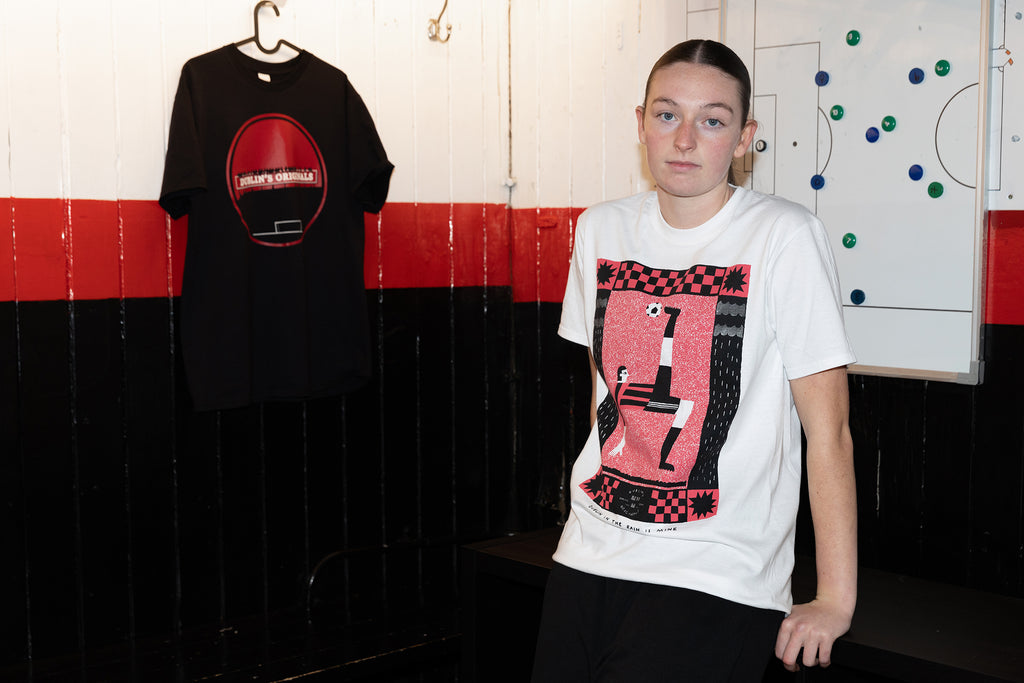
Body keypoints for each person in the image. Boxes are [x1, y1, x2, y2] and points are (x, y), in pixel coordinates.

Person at [531, 39, 857, 681]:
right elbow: (604, 399)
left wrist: (834, 598)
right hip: (589, 552)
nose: (684, 139)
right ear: (641, 123)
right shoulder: (599, 229)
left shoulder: (783, 236)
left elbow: (830, 432)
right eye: (667, 114)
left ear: (744, 138)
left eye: (711, 120)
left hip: (716, 571)